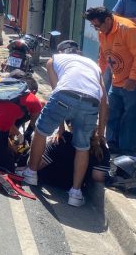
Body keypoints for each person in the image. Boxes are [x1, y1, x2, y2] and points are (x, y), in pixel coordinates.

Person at [18, 40, 107, 207]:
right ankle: (75, 193)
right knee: (83, 147)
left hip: (65, 95)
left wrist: (59, 129)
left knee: (41, 131)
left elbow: (57, 91)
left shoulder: (54, 60)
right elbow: (104, 104)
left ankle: (31, 172)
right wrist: (101, 133)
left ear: (61, 52)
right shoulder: (95, 67)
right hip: (91, 102)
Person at [85, 6, 136, 157]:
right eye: (94, 26)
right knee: (112, 113)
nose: (97, 29)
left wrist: (133, 78)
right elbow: (103, 56)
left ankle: (129, 152)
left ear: (108, 20)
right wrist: (96, 75)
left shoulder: (129, 29)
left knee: (132, 117)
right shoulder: (103, 32)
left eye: (98, 25)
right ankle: (112, 147)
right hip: (118, 80)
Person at [36, 127, 111, 193]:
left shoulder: (62, 138)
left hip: (50, 179)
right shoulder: (101, 148)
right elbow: (98, 176)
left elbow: (39, 165)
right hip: (71, 185)